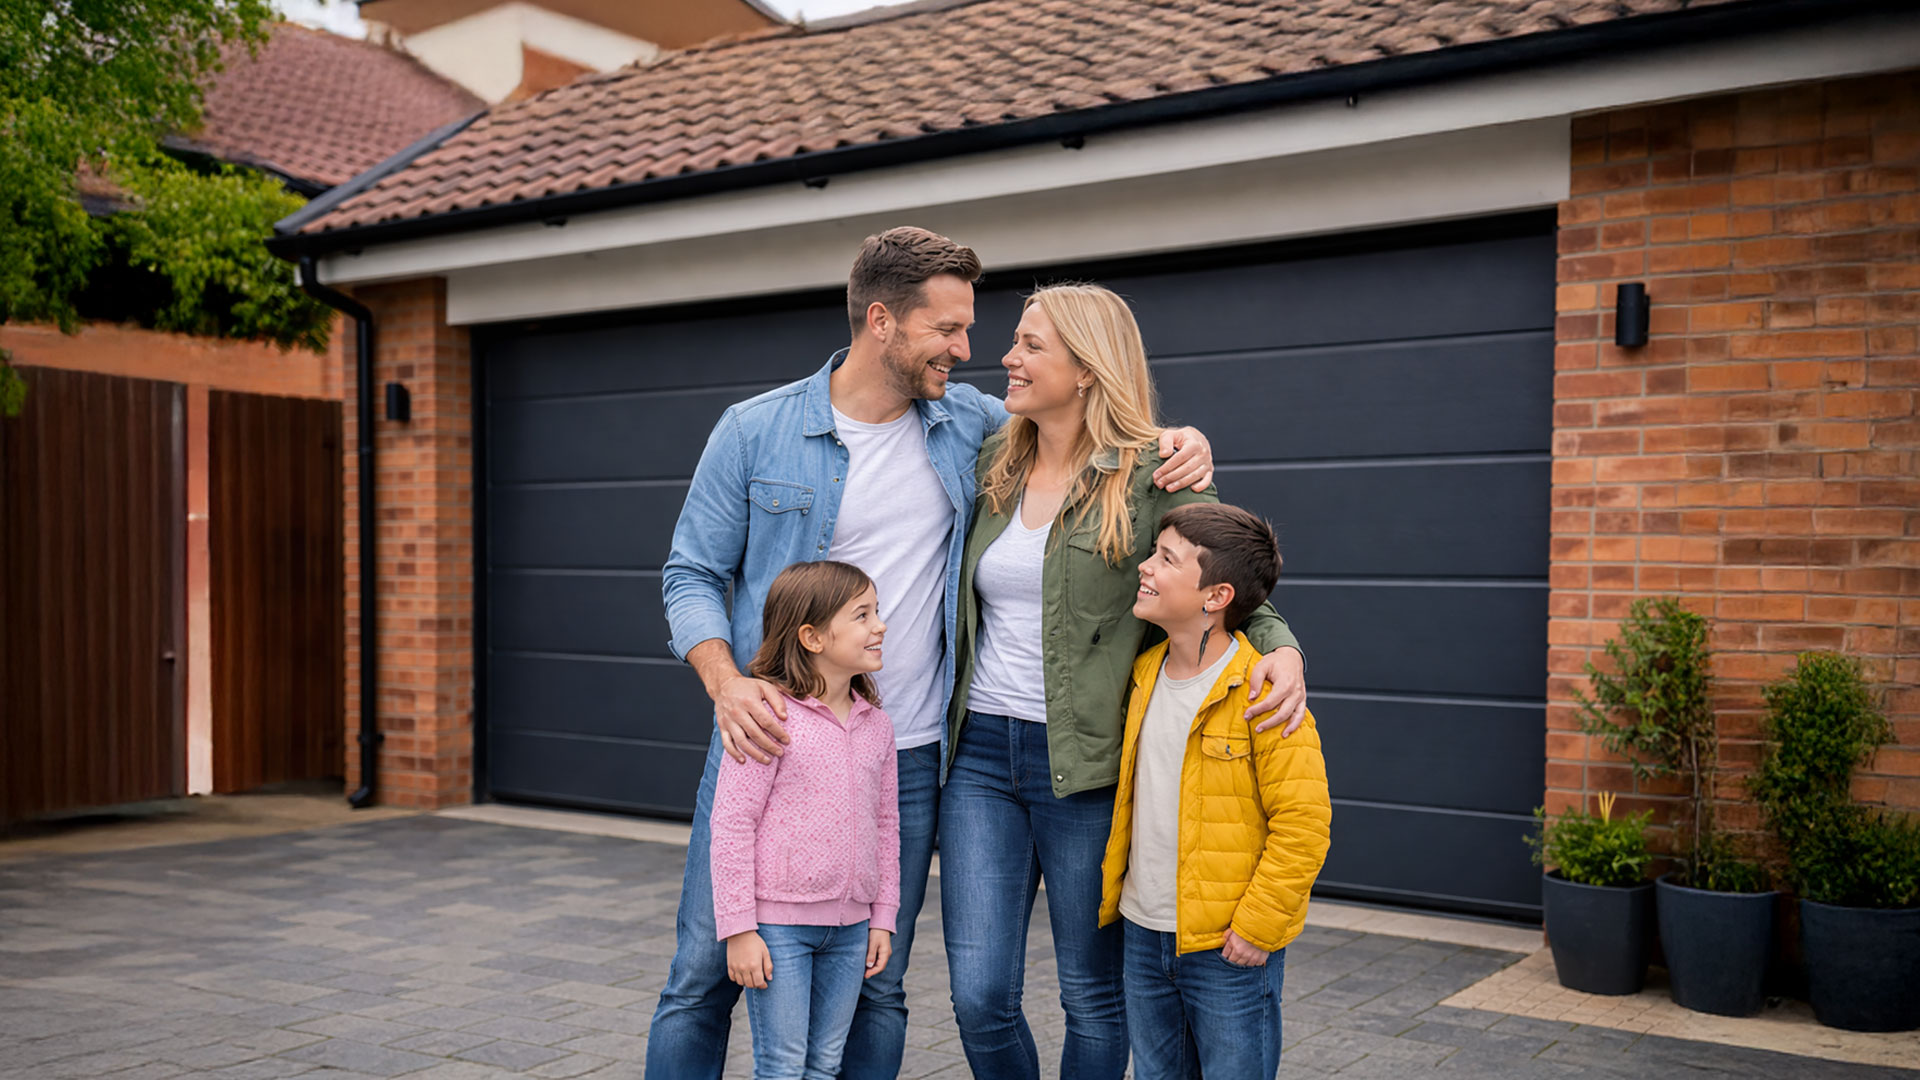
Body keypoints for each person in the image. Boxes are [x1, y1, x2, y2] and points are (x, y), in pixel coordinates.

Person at [649, 227, 1258, 1080]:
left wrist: (1180, 441)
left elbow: (1123, 469)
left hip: (904, 752)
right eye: (948, 331)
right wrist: (723, 682)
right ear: (882, 322)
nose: (970, 352)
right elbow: (690, 573)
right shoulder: (756, 431)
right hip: (772, 740)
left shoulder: (973, 428)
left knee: (877, 979)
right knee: (705, 972)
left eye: (982, 332)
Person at [940, 284, 1310, 1080]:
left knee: (1091, 996)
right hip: (977, 760)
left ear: (1086, 367)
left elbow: (1230, 575)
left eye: (1032, 344)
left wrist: (1284, 647)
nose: (1007, 356)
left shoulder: (1155, 471)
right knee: (977, 995)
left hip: (1090, 763)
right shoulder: (990, 457)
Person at [1099, 503, 1331, 1080]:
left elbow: (1303, 824)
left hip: (1226, 946)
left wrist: (1258, 927)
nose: (1145, 567)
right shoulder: (1143, 672)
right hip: (1144, 931)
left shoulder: (1267, 694)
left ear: (1215, 595)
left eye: (1166, 559)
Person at [710, 561, 901, 1080]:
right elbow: (731, 824)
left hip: (851, 928)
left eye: (877, 611)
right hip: (779, 930)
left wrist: (882, 916)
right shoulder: (768, 717)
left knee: (824, 1065)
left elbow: (887, 826)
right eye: (862, 615)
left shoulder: (876, 726)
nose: (879, 625)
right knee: (782, 1065)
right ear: (812, 636)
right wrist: (739, 929)